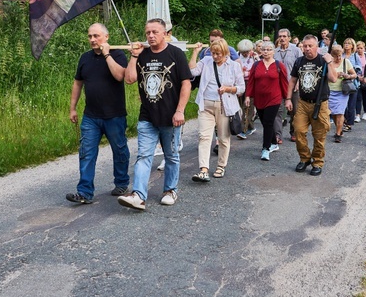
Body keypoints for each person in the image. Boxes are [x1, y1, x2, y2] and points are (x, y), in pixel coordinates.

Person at [118, 18, 191, 210]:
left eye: (155, 32)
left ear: (166, 33)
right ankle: (138, 195)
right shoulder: (142, 55)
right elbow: (130, 79)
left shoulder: (176, 54)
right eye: (147, 32)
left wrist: (180, 111)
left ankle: (170, 190)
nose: (150, 36)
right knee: (143, 156)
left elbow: (186, 83)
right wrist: (134, 56)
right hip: (147, 116)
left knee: (171, 155)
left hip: (171, 117)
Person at [66, 23, 130, 204]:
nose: (93, 40)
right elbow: (78, 83)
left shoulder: (117, 54)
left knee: (119, 150)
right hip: (91, 116)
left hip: (114, 115)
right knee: (86, 152)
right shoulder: (85, 58)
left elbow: (120, 76)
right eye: (90, 36)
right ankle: (84, 192)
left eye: (96, 36)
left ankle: (122, 183)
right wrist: (72, 108)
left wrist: (107, 54)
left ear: (106, 37)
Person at [188, 38, 244, 181]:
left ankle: (221, 166)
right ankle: (203, 170)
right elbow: (192, 71)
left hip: (224, 105)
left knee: (223, 138)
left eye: (218, 54)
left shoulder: (233, 66)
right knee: (204, 137)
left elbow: (241, 88)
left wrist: (227, 89)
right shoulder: (206, 61)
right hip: (205, 105)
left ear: (225, 52)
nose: (215, 56)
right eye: (213, 53)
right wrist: (195, 53)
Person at [285, 35, 337, 176]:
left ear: (316, 47)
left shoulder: (322, 60)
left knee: (319, 135)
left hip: (320, 104)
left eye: (310, 46)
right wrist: (288, 99)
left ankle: (317, 162)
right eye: (305, 46)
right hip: (303, 102)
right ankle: (305, 158)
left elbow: (333, 79)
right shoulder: (299, 61)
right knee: (299, 130)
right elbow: (292, 81)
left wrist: (330, 62)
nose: (307, 49)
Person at [245, 42, 288, 161]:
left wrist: (287, 99)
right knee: (265, 122)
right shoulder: (256, 65)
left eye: (269, 49)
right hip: (259, 99)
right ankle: (274, 142)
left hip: (274, 99)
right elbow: (251, 81)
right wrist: (248, 96)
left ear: (273, 51)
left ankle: (266, 148)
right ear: (261, 51)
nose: (266, 52)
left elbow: (284, 83)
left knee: (268, 122)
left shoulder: (279, 65)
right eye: (264, 49)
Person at [273, 28, 302, 143]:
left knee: (294, 111)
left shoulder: (296, 50)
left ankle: (293, 132)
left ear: (289, 38)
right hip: (278, 86)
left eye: (284, 36)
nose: (282, 38)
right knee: (277, 111)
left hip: (292, 85)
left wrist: (298, 82)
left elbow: (301, 68)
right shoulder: (274, 51)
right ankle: (277, 135)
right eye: (280, 36)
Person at [328, 45, 356, 142]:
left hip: (342, 91)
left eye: (340, 55)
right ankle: (339, 128)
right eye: (336, 56)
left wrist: (347, 75)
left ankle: (338, 134)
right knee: (334, 113)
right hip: (330, 91)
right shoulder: (329, 63)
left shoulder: (346, 62)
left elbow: (354, 75)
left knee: (340, 112)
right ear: (332, 55)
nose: (338, 58)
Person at [236, 39, 257, 139]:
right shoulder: (236, 56)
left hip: (251, 83)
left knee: (247, 106)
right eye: (243, 52)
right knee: (240, 106)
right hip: (240, 83)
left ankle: (243, 130)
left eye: (246, 52)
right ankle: (250, 126)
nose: (245, 54)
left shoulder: (254, 57)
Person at [341, 38, 361, 133]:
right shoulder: (341, 55)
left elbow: (359, 68)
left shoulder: (355, 56)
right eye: (345, 43)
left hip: (352, 83)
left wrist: (352, 71)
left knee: (351, 104)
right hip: (342, 82)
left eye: (349, 43)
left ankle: (349, 124)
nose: (346, 45)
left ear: (352, 45)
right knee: (343, 104)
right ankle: (344, 120)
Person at [354, 40, 366, 122]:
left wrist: (365, 77)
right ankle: (357, 114)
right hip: (357, 79)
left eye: (361, 48)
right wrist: (358, 77)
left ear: (364, 48)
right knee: (358, 97)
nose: (360, 50)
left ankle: (365, 112)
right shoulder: (354, 56)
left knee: (365, 97)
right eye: (358, 48)